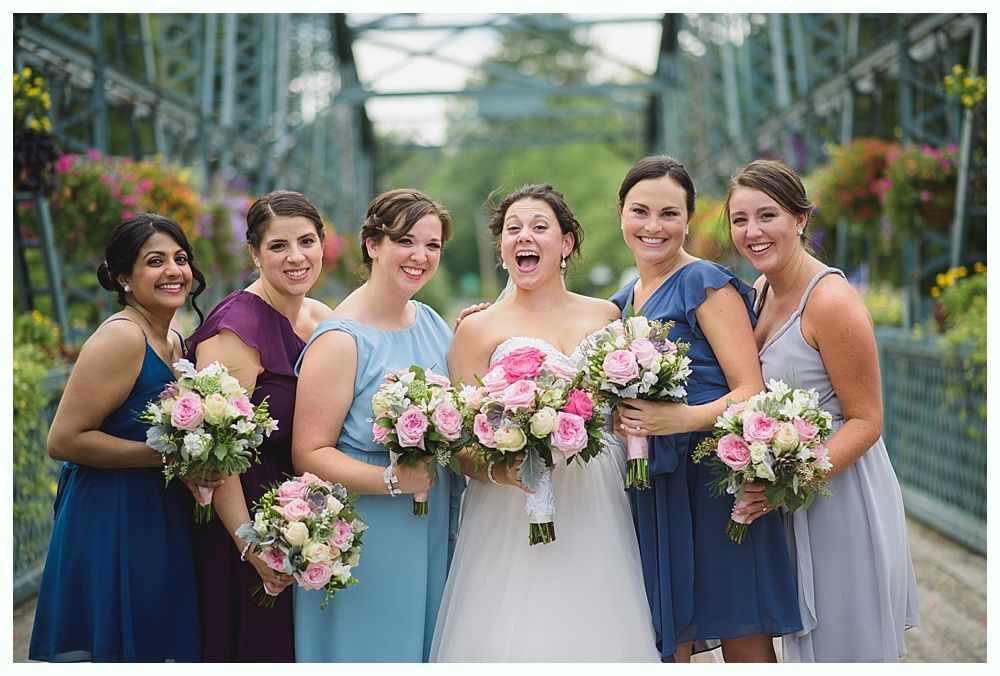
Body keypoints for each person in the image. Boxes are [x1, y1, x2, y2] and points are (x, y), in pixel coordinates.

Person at [430, 184, 660, 662]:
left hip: (596, 495)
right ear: (501, 248)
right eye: (512, 229)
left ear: (566, 242)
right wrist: (502, 468)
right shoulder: (477, 329)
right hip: (510, 505)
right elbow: (458, 445)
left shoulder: (606, 315)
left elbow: (623, 409)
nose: (523, 237)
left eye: (538, 227)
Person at [725, 158, 919, 662]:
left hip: (840, 497)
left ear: (800, 220)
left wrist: (789, 482)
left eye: (767, 216)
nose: (752, 232)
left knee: (844, 647)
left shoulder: (831, 302)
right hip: (789, 499)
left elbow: (868, 420)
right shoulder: (762, 292)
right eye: (740, 220)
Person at [610, 155, 802, 662]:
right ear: (621, 215)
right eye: (641, 211)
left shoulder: (704, 283)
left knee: (739, 624)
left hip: (712, 477)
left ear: (688, 220)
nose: (654, 226)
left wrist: (681, 419)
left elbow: (749, 389)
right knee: (668, 635)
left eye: (669, 214)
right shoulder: (623, 298)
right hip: (654, 482)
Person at [29, 214, 211, 662]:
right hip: (112, 514)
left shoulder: (173, 338)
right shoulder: (122, 338)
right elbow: (64, 439)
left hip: (158, 511)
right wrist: (168, 459)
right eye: (155, 261)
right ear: (124, 278)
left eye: (180, 258)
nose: (173, 270)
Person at [291, 188, 462, 662]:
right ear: (373, 245)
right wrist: (391, 479)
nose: (420, 256)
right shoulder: (341, 340)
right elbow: (309, 452)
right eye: (406, 241)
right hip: (368, 528)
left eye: (432, 246)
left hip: (430, 522)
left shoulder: (431, 321)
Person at [183, 190, 334, 662]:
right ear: (254, 252)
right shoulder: (236, 330)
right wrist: (254, 548)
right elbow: (217, 455)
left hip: (298, 519)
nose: (296, 257)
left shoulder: (321, 316)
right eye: (277, 246)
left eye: (306, 241)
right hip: (245, 520)